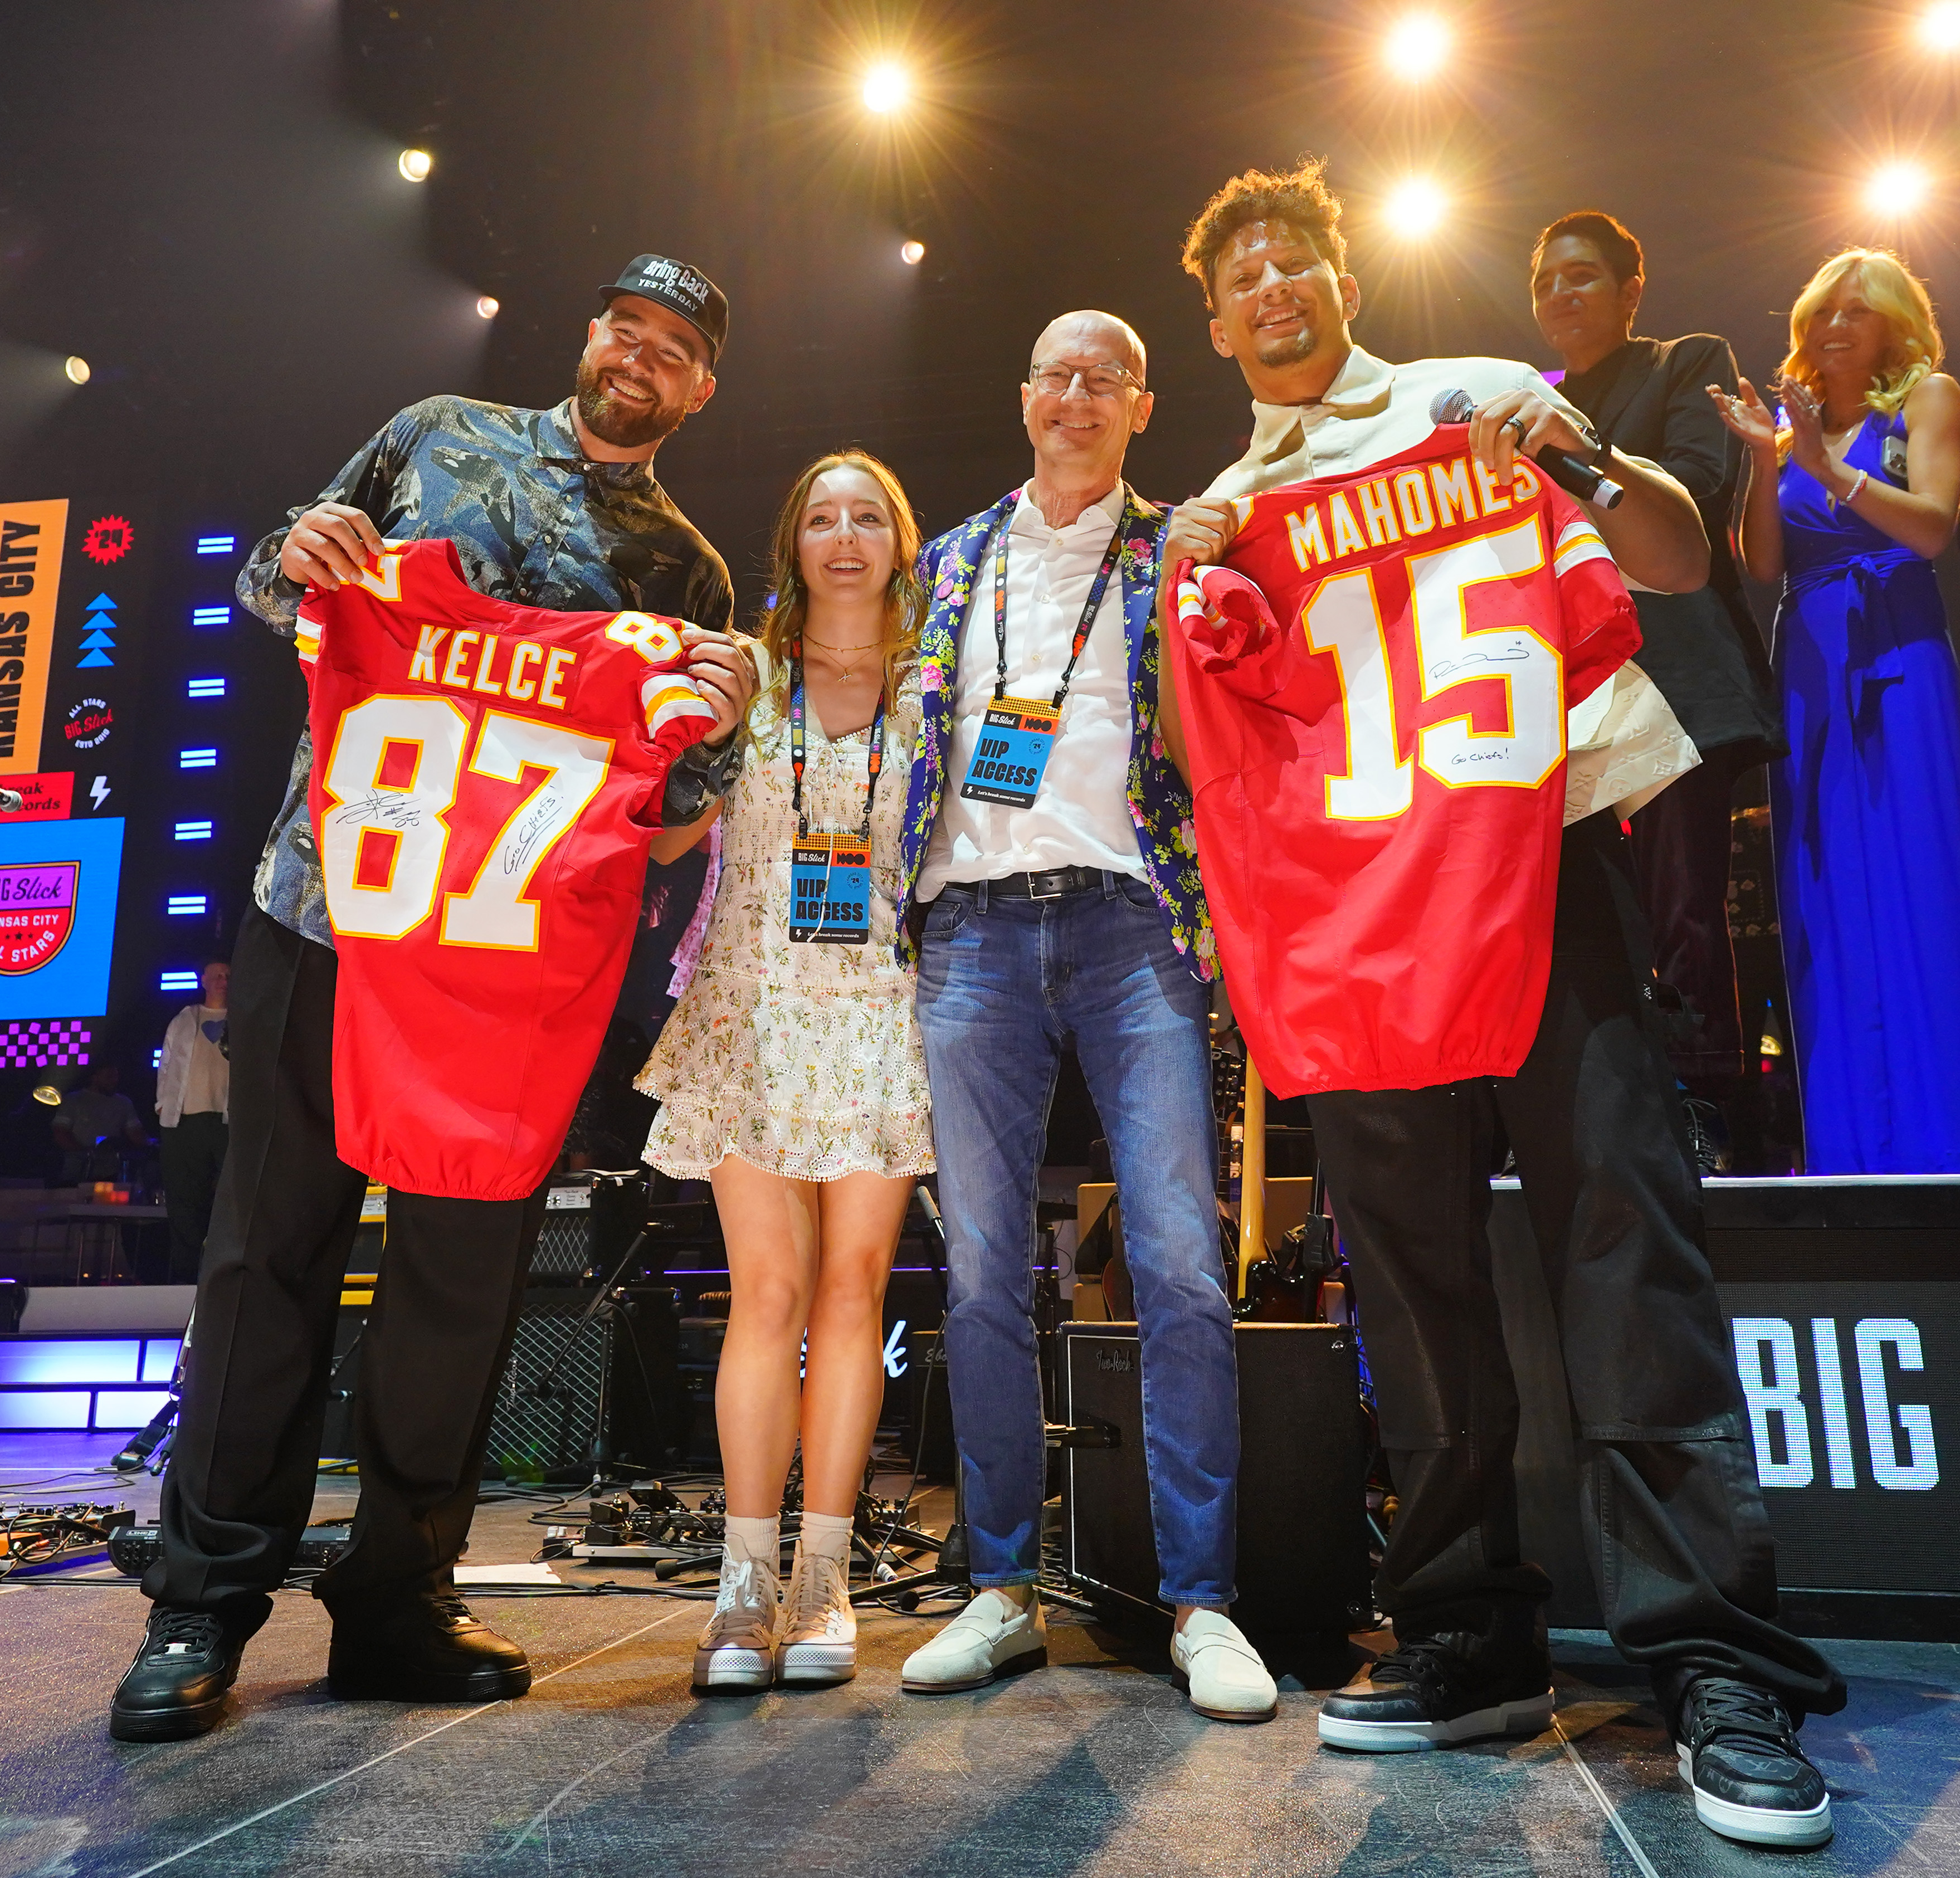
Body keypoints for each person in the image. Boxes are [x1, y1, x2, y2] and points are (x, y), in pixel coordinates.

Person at [1164, 160, 1845, 1852]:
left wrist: (1582, 458)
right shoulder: (1224, 505)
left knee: (1629, 1248)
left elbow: (1676, 561)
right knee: (1405, 1279)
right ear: (1214, 319)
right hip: (1368, 925)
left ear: (1338, 276)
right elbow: (1219, 769)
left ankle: (1709, 1657)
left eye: (1291, 260)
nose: (1269, 290)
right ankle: (1467, 1629)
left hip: (1539, 872)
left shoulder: (1473, 393)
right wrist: (1191, 606)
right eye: (1238, 274)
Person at [113, 253, 762, 1743]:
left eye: (674, 350)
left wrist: (717, 737)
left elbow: (666, 816)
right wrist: (306, 549)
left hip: (504, 972)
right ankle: (201, 1601)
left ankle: (396, 1595)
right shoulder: (433, 435)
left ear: (698, 387)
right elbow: (273, 583)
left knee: (458, 1286)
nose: (640, 359)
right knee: (264, 1254)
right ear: (589, 335)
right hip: (328, 912)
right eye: (626, 329)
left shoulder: (685, 575)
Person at [892, 309, 1278, 1725]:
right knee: (985, 1267)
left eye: (1101, 377)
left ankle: (1203, 1600)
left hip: (1132, 925)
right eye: (1053, 372)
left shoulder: (1185, 548)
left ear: (1141, 405)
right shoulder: (948, 561)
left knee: (1178, 1258)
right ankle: (1000, 1589)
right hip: (975, 930)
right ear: (1023, 396)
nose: (1074, 394)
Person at [636, 450, 935, 1691]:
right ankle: (741, 1585)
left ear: (900, 541)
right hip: (750, 1001)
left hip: (880, 1004)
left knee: (852, 1291)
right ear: (792, 542)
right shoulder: (743, 676)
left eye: (869, 514)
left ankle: (823, 1580)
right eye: (821, 515)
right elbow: (660, 838)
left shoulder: (936, 685)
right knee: (766, 1288)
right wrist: (684, 734)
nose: (846, 535)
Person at [1708, 247, 1960, 1175]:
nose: (1833, 325)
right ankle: (1850, 1145)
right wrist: (1768, 461)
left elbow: (1932, 529)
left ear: (1895, 322)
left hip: (1897, 646)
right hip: (1808, 655)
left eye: (1856, 309)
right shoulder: (1786, 421)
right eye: (1821, 311)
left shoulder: (1927, 399)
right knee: (1824, 897)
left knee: (1921, 883)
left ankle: (1958, 1145)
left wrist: (1826, 468)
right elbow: (1762, 564)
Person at [1529, 211, 1785, 1166]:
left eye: (1585, 276)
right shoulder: (1528, 397)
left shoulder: (1687, 361)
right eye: (1548, 279)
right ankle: (1613, 1118)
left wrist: (1575, 456)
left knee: (1684, 912)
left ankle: (1711, 1115)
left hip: (1676, 682)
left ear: (1632, 291)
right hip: (1571, 701)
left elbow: (1693, 482)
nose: (1562, 293)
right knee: (1591, 920)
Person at [155, 958, 231, 1277]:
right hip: (184, 1121)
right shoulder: (184, 1019)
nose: (222, 980)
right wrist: (163, 1106)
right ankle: (184, 1278)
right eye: (216, 975)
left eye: (228, 975)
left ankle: (224, 1276)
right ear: (203, 979)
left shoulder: (245, 1019)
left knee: (230, 1203)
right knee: (185, 1202)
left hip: (228, 1123)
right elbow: (167, 1063)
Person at [52, 1061, 145, 1186]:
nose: (114, 1081)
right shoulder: (74, 1100)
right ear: (94, 1077)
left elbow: (135, 1133)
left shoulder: (123, 1103)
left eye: (116, 1076)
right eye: (109, 1077)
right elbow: (60, 1132)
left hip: (111, 1172)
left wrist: (151, 1145)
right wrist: (85, 1152)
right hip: (77, 1171)